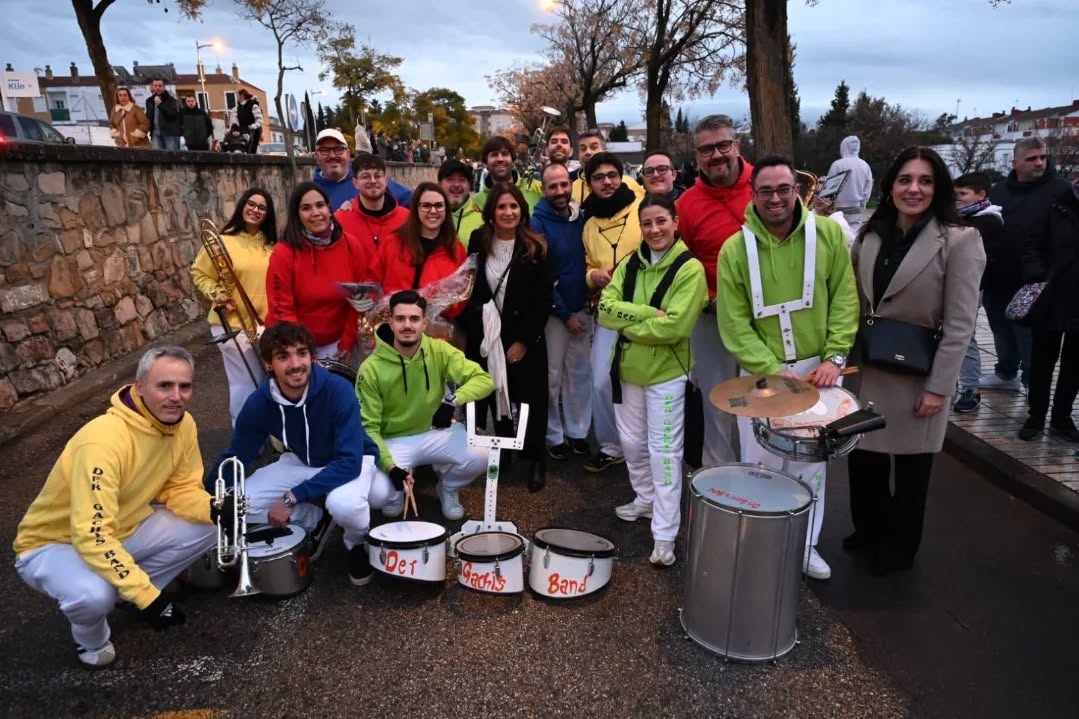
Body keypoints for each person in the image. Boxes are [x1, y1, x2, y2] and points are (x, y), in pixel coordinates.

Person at [13, 347, 220, 667]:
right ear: (140, 387)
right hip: (53, 544)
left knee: (211, 526)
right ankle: (91, 641)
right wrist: (152, 600)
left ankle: (129, 593)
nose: (176, 396)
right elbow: (92, 534)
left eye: (185, 386)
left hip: (120, 528)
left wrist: (214, 508)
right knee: (94, 596)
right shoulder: (103, 441)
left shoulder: (184, 425)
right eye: (164, 386)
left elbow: (179, 488)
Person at [717, 155, 859, 580]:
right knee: (759, 465)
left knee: (811, 467)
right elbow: (734, 322)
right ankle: (761, 545)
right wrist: (771, 367)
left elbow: (844, 298)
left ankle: (805, 545)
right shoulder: (734, 249)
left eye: (783, 189)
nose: (775, 198)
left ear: (796, 190)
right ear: (753, 194)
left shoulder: (829, 234)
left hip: (817, 371)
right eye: (766, 191)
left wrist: (835, 357)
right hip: (761, 374)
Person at [847, 147, 984, 575]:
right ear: (890, 185)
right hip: (868, 366)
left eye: (925, 181)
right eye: (905, 179)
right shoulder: (870, 235)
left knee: (910, 470)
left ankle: (899, 547)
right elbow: (853, 301)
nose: (914, 189)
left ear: (937, 188)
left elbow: (961, 324)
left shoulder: (959, 240)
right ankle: (868, 529)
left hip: (917, 372)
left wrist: (939, 387)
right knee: (863, 457)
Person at [208, 322, 387, 586]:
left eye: (301, 353)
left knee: (345, 506)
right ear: (268, 364)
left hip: (353, 459)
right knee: (235, 505)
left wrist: (291, 497)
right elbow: (238, 455)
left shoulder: (338, 390)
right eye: (283, 356)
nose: (295, 364)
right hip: (302, 461)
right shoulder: (260, 403)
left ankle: (356, 544)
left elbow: (349, 462)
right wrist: (207, 495)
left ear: (311, 357)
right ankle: (311, 518)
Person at [597, 194, 707, 565]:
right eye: (647, 223)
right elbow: (604, 310)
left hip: (667, 374)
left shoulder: (689, 269)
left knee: (664, 453)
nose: (654, 229)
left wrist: (628, 324)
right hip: (628, 369)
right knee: (631, 443)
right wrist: (647, 314)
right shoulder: (631, 262)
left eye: (661, 221)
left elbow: (675, 327)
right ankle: (644, 499)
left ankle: (664, 534)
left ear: (675, 222)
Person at [358, 290, 494, 520]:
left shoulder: (439, 350)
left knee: (483, 455)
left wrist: (452, 401)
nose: (407, 325)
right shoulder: (371, 368)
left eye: (414, 319)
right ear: (391, 323)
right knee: (378, 495)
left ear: (424, 323)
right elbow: (368, 429)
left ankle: (447, 488)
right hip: (393, 439)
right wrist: (390, 467)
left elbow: (484, 380)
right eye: (400, 319)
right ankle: (395, 492)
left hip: (434, 432)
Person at [463, 183, 553, 492]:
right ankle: (503, 451)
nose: (508, 212)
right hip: (489, 335)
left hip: (524, 338)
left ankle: (536, 458)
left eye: (514, 206)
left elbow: (543, 300)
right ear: (491, 212)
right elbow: (471, 285)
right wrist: (480, 324)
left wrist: (525, 341)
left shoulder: (536, 246)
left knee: (530, 399)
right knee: (494, 392)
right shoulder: (479, 241)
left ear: (522, 211)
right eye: (501, 206)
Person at [676, 114, 753, 467]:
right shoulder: (687, 204)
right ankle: (718, 476)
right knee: (716, 399)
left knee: (762, 398)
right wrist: (706, 300)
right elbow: (683, 265)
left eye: (723, 145)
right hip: (711, 316)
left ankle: (761, 472)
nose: (717, 155)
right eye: (707, 149)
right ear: (697, 156)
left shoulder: (765, 187)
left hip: (763, 317)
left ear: (737, 145)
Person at [984, 137, 1070, 391]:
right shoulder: (999, 191)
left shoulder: (1061, 191)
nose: (1040, 163)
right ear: (1016, 162)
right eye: (1032, 159)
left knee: (1029, 336)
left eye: (1043, 157)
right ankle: (1005, 373)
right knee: (1000, 328)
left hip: (1036, 280)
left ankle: (1033, 382)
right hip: (998, 275)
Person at [265, 181, 378, 363]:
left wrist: (348, 341)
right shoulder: (284, 253)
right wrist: (303, 352)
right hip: (293, 344)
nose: (316, 213)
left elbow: (359, 300)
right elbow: (282, 310)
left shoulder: (351, 245)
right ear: (296, 215)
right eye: (306, 208)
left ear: (329, 209)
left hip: (338, 344)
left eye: (320, 205)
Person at [191, 188, 277, 425]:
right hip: (232, 323)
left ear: (268, 214)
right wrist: (218, 294)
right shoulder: (222, 241)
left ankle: (266, 432)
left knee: (267, 380)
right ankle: (243, 432)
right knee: (246, 380)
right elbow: (199, 273)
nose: (255, 210)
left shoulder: (272, 245)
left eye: (262, 207)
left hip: (265, 324)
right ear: (242, 206)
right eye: (251, 204)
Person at [582, 151, 645, 473]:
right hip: (608, 311)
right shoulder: (589, 225)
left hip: (643, 310)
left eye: (611, 175)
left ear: (621, 177)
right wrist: (592, 275)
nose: (606, 182)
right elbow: (587, 264)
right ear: (589, 183)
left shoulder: (641, 208)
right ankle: (610, 445)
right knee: (600, 382)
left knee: (640, 382)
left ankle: (641, 446)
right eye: (598, 177)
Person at [532, 163, 591, 460]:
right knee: (552, 377)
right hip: (556, 316)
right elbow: (542, 274)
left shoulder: (581, 218)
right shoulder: (537, 223)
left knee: (579, 375)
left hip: (583, 309)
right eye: (552, 186)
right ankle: (553, 434)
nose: (559, 191)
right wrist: (565, 314)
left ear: (571, 185)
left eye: (563, 184)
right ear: (544, 190)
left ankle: (578, 431)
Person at [1018, 182, 1079, 442]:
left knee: (1074, 365)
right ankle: (1036, 416)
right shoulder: (1054, 205)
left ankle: (1062, 418)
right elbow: (1031, 245)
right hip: (1051, 296)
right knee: (1042, 362)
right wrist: (1037, 275)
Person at [376, 182, 469, 323]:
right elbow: (373, 282)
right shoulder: (392, 244)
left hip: (436, 329)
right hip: (392, 326)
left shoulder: (455, 250)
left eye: (439, 205)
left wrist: (444, 306)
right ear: (416, 208)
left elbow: (462, 295)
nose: (433, 211)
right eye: (426, 206)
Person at [952, 172, 1005, 414]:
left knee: (964, 336)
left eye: (963, 194)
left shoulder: (987, 222)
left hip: (972, 288)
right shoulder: (964, 217)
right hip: (956, 285)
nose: (958, 199)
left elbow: (987, 262)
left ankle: (969, 389)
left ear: (981, 194)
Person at [313, 129, 414, 211]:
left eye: (338, 150)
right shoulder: (311, 193)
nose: (332, 155)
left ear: (348, 154)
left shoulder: (368, 180)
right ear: (316, 156)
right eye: (324, 150)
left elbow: (413, 202)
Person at [334, 152, 409, 252]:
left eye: (377, 176)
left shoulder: (406, 219)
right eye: (365, 176)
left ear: (386, 180)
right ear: (355, 183)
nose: (373, 181)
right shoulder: (341, 221)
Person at [570, 129, 645, 205]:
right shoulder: (572, 188)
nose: (587, 152)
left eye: (594, 147)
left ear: (605, 152)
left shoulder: (629, 183)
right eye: (583, 149)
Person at [473, 136, 542, 210]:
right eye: (494, 155)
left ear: (513, 160)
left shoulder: (538, 188)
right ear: (485, 163)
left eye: (505, 154)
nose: (500, 159)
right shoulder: (476, 202)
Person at [826, 135, 874, 233]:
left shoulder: (837, 165)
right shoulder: (865, 165)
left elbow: (829, 189)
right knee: (854, 235)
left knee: (838, 234)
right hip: (857, 208)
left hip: (838, 209)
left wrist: (830, 204)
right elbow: (868, 188)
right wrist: (863, 203)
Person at [440, 159, 483, 245]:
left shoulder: (483, 221)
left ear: (469, 186)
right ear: (439, 184)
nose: (456, 185)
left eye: (462, 180)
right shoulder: (429, 217)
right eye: (449, 179)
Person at [145, 77, 180, 151]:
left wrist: (160, 104)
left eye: (160, 86)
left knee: (171, 154)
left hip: (169, 133)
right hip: (155, 133)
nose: (157, 88)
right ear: (153, 87)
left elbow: (173, 115)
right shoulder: (149, 101)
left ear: (164, 87)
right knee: (157, 155)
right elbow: (148, 116)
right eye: (155, 86)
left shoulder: (172, 100)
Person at [235, 88, 262, 154]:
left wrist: (253, 126)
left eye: (237, 96)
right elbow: (237, 121)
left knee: (252, 151)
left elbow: (260, 120)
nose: (236, 97)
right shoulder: (239, 107)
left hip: (253, 132)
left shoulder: (253, 105)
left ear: (242, 96)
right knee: (243, 150)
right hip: (243, 131)